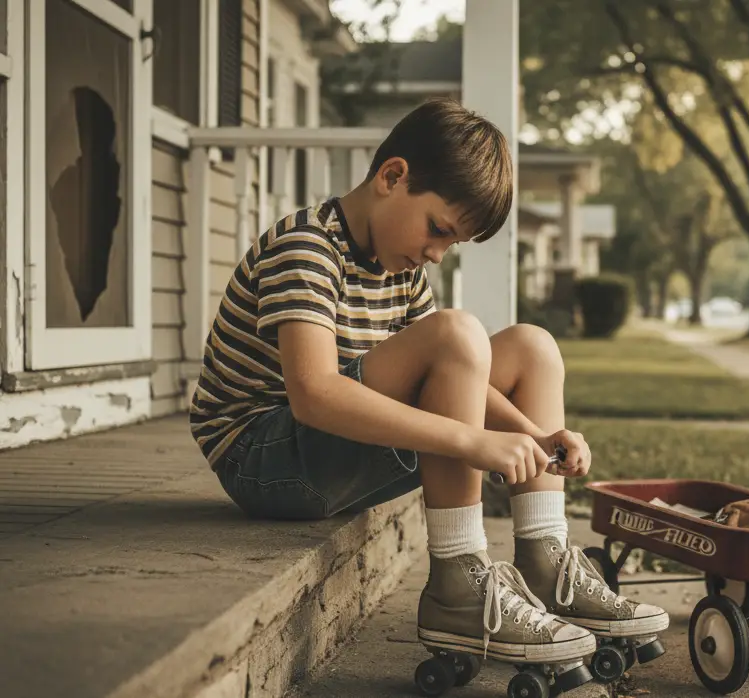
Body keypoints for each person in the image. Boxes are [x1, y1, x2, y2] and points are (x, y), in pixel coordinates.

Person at [189, 98, 667, 674]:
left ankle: (547, 563)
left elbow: (456, 379)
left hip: (326, 447)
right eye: (439, 229)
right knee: (456, 333)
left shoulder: (403, 270)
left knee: (531, 346)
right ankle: (457, 582)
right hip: (262, 458)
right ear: (393, 177)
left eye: (452, 243)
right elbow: (314, 394)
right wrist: (471, 441)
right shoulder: (306, 248)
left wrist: (535, 436)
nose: (437, 254)